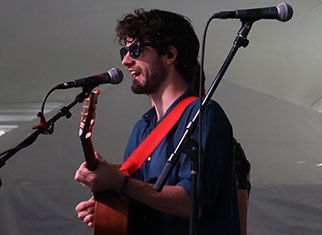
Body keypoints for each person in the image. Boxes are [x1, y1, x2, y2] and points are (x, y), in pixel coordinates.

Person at [74, 9, 241, 235]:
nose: (125, 60)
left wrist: (118, 183)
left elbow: (191, 203)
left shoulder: (204, 114)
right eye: (125, 50)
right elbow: (140, 198)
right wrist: (112, 208)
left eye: (135, 50)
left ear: (170, 55)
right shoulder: (142, 128)